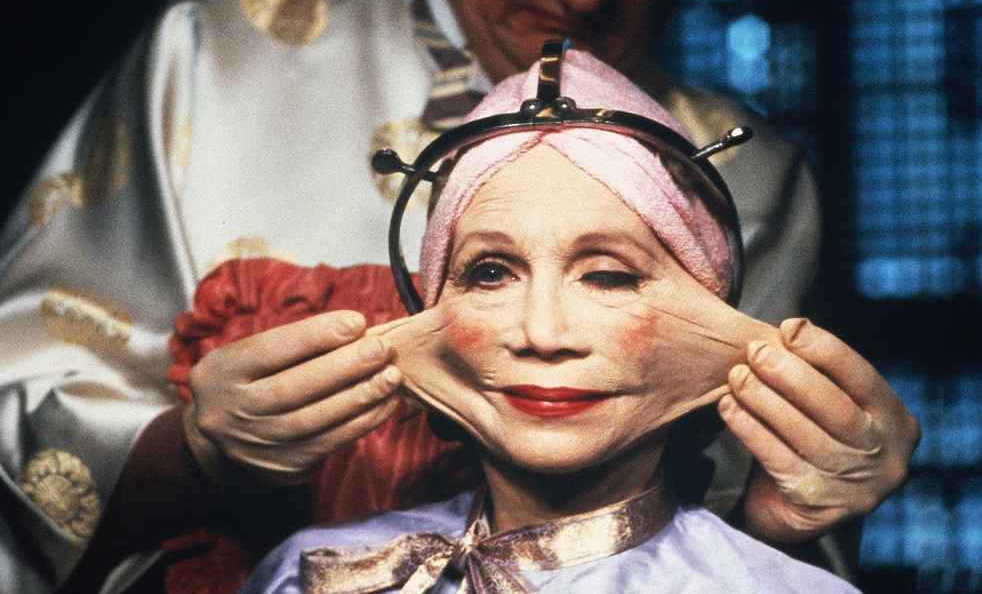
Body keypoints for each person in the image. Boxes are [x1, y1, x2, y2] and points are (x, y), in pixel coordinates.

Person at [0, 0, 919, 592]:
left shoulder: (747, 178)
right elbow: (24, 413)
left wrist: (789, 522)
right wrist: (196, 454)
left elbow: (717, 544)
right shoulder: (219, 61)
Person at [232, 48, 873, 593]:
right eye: (491, 273)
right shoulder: (311, 573)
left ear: (707, 310)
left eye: (609, 276)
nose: (542, 333)